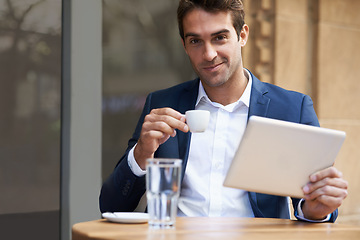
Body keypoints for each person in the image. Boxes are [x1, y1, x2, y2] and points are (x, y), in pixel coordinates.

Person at [100, 0, 348, 222]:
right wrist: (142, 152)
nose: (208, 54)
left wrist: (316, 209)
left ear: (242, 35)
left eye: (219, 37)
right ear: (184, 45)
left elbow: (314, 204)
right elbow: (111, 204)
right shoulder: (162, 103)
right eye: (196, 41)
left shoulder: (292, 108)